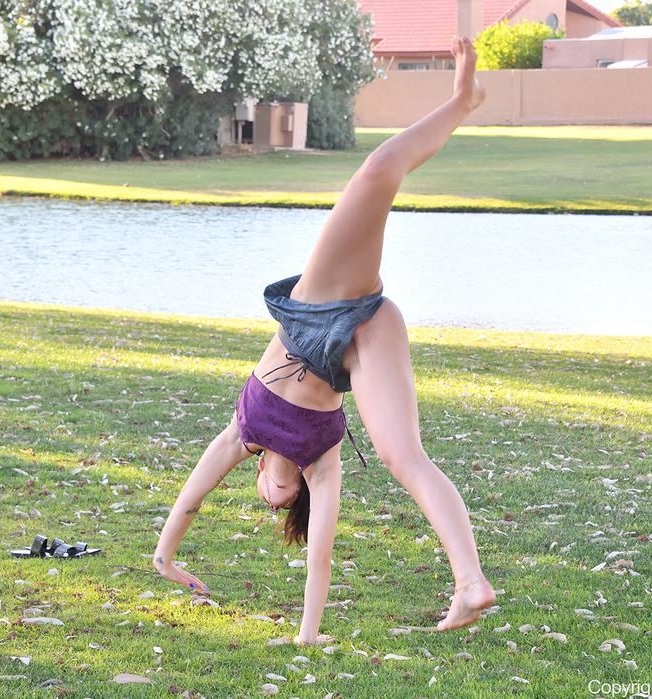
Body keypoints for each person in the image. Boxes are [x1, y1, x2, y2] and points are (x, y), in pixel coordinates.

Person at [153, 36, 494, 645]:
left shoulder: (244, 435)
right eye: (282, 505)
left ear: (258, 474)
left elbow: (191, 497)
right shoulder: (320, 467)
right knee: (403, 456)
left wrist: (166, 557)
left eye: (267, 496)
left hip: (315, 313)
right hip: (358, 336)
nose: (273, 499)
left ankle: (463, 101)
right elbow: (320, 562)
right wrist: (307, 635)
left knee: (376, 174)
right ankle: (470, 581)